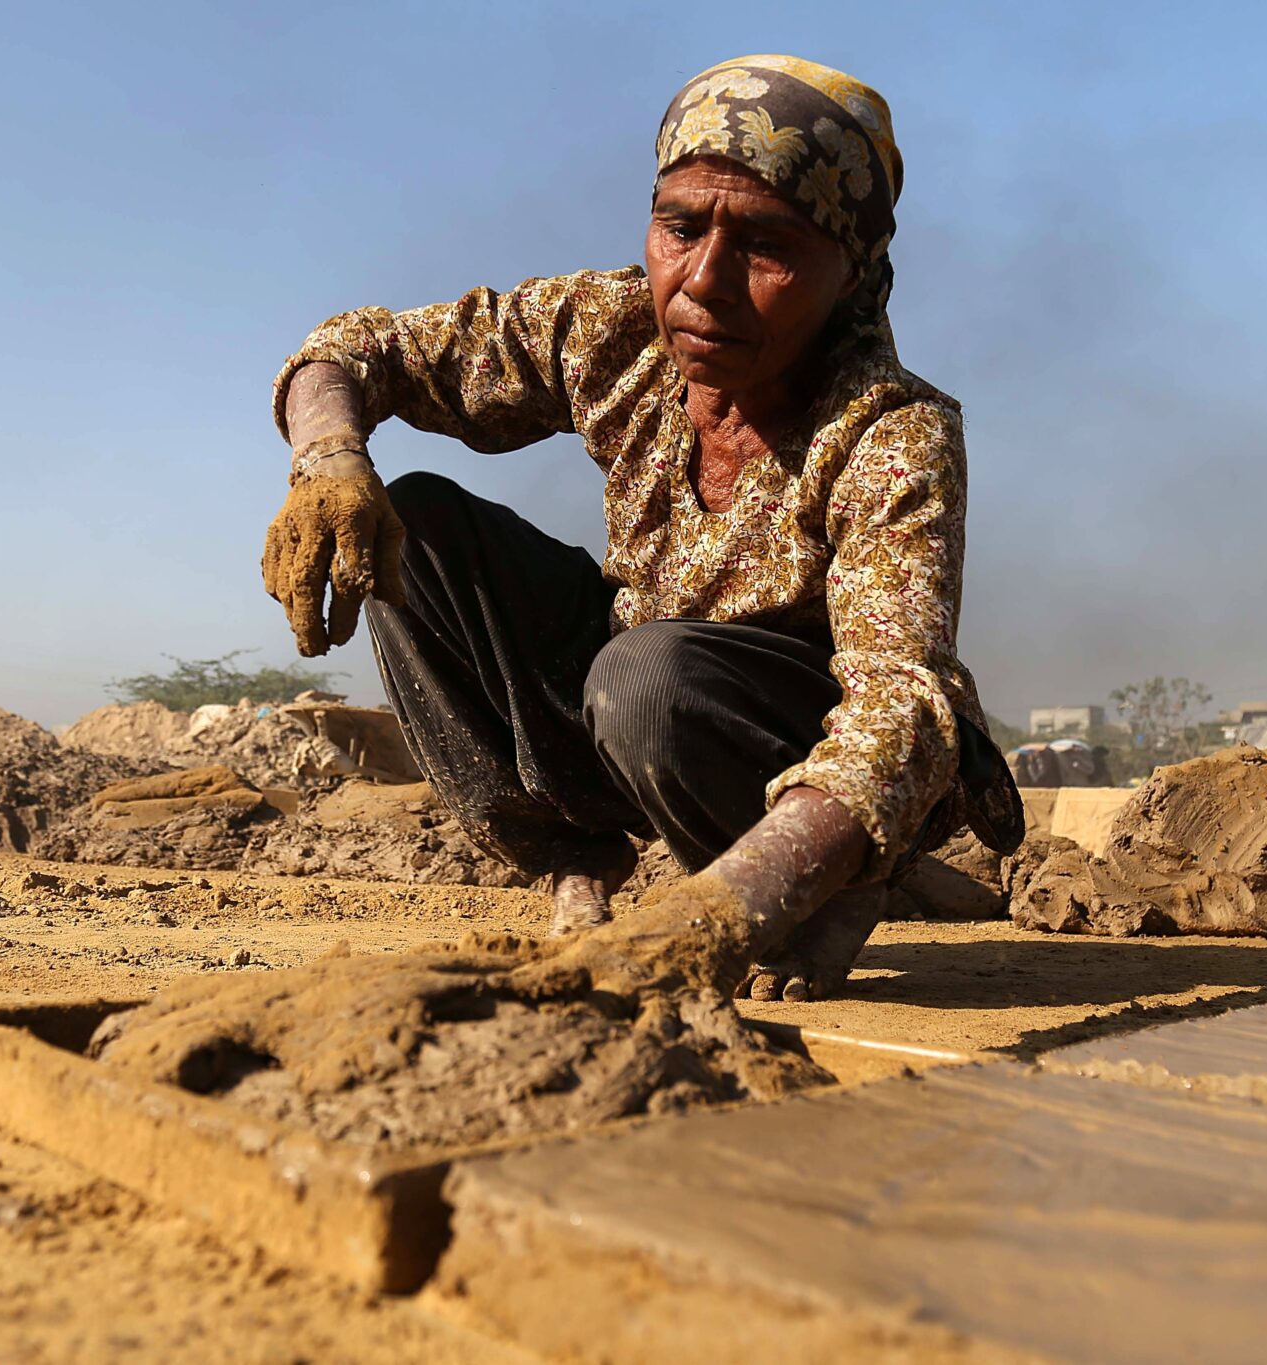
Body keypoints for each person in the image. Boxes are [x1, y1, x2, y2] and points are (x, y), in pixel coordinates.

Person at [261, 54, 1022, 1001]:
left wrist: (726, 910)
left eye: (767, 245)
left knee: (645, 676)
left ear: (853, 273)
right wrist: (329, 460)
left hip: (791, 747)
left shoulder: (888, 431)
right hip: (635, 714)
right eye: (680, 226)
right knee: (416, 528)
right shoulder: (614, 331)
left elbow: (903, 704)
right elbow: (353, 349)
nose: (704, 280)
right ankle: (576, 858)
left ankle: (839, 885)